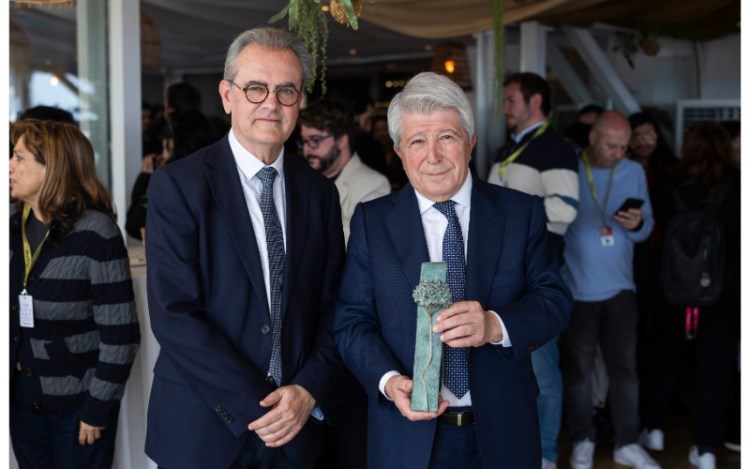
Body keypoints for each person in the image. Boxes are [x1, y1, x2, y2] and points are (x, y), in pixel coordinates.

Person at [334, 71, 573, 469]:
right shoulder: (371, 222)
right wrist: (389, 382)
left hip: (503, 433)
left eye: (446, 137)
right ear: (398, 150)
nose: (433, 156)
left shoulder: (520, 213)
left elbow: (555, 300)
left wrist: (494, 325)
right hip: (407, 436)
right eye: (417, 141)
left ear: (470, 140)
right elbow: (351, 322)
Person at [144, 27, 346, 469]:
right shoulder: (178, 186)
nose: (271, 103)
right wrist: (261, 406)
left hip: (298, 429)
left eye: (286, 90)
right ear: (227, 95)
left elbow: (335, 308)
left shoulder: (320, 193)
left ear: (299, 101)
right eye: (256, 88)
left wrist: (307, 391)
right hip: (204, 429)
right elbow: (174, 314)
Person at [9, 119, 141, 468]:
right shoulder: (13, 226)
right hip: (21, 402)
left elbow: (121, 336)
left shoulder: (95, 231)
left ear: (51, 168)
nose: (9, 165)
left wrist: (97, 408)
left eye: (19, 158)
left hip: (78, 407)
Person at [487, 71, 579, 469]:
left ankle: (545, 456)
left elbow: (566, 209)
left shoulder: (554, 147)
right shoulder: (509, 147)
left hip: (537, 274)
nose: (504, 109)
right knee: (511, 369)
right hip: (504, 275)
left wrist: (513, 211)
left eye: (510, 100)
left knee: (544, 372)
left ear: (535, 101)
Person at [639, 121, 740, 469]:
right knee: (715, 369)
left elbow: (653, 234)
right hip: (723, 292)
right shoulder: (737, 184)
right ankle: (707, 449)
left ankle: (655, 428)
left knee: (665, 358)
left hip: (673, 290)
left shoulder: (670, 183)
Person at [561, 111, 659, 469]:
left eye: (623, 147)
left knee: (625, 373)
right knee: (579, 375)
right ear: (593, 138)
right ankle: (583, 441)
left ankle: (627, 443)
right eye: (612, 146)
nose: (619, 153)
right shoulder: (569, 170)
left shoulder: (633, 172)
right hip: (577, 289)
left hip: (621, 287)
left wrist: (636, 224)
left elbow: (646, 228)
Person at [298, 98, 390, 244]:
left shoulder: (374, 185)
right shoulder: (301, 181)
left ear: (341, 140)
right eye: (304, 141)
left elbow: (361, 244)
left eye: (315, 140)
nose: (307, 149)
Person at [125, 108, 215, 240]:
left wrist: (145, 177)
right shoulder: (214, 174)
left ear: (171, 144)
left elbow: (134, 224)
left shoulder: (167, 183)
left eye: (164, 148)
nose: (161, 155)